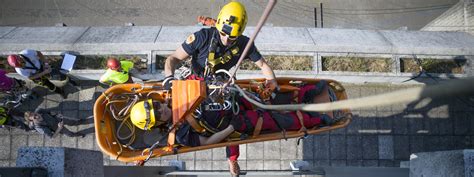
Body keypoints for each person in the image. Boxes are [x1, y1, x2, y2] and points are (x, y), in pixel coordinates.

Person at [164, 2, 278, 175]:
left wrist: (272, 81)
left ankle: (232, 159)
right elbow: (172, 58)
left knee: (231, 117)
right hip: (195, 82)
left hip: (222, 85)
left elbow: (263, 65)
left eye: (231, 38)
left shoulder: (244, 44)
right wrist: (168, 79)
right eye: (223, 34)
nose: (226, 40)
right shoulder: (202, 37)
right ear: (217, 25)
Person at [24, 108, 93, 138]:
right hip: (57, 128)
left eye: (35, 114)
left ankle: (84, 121)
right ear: (31, 120)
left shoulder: (39, 110)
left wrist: (56, 114)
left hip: (59, 119)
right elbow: (52, 136)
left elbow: (49, 112)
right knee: (70, 134)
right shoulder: (40, 127)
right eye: (34, 117)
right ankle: (80, 134)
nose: (37, 116)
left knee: (75, 122)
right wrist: (59, 128)